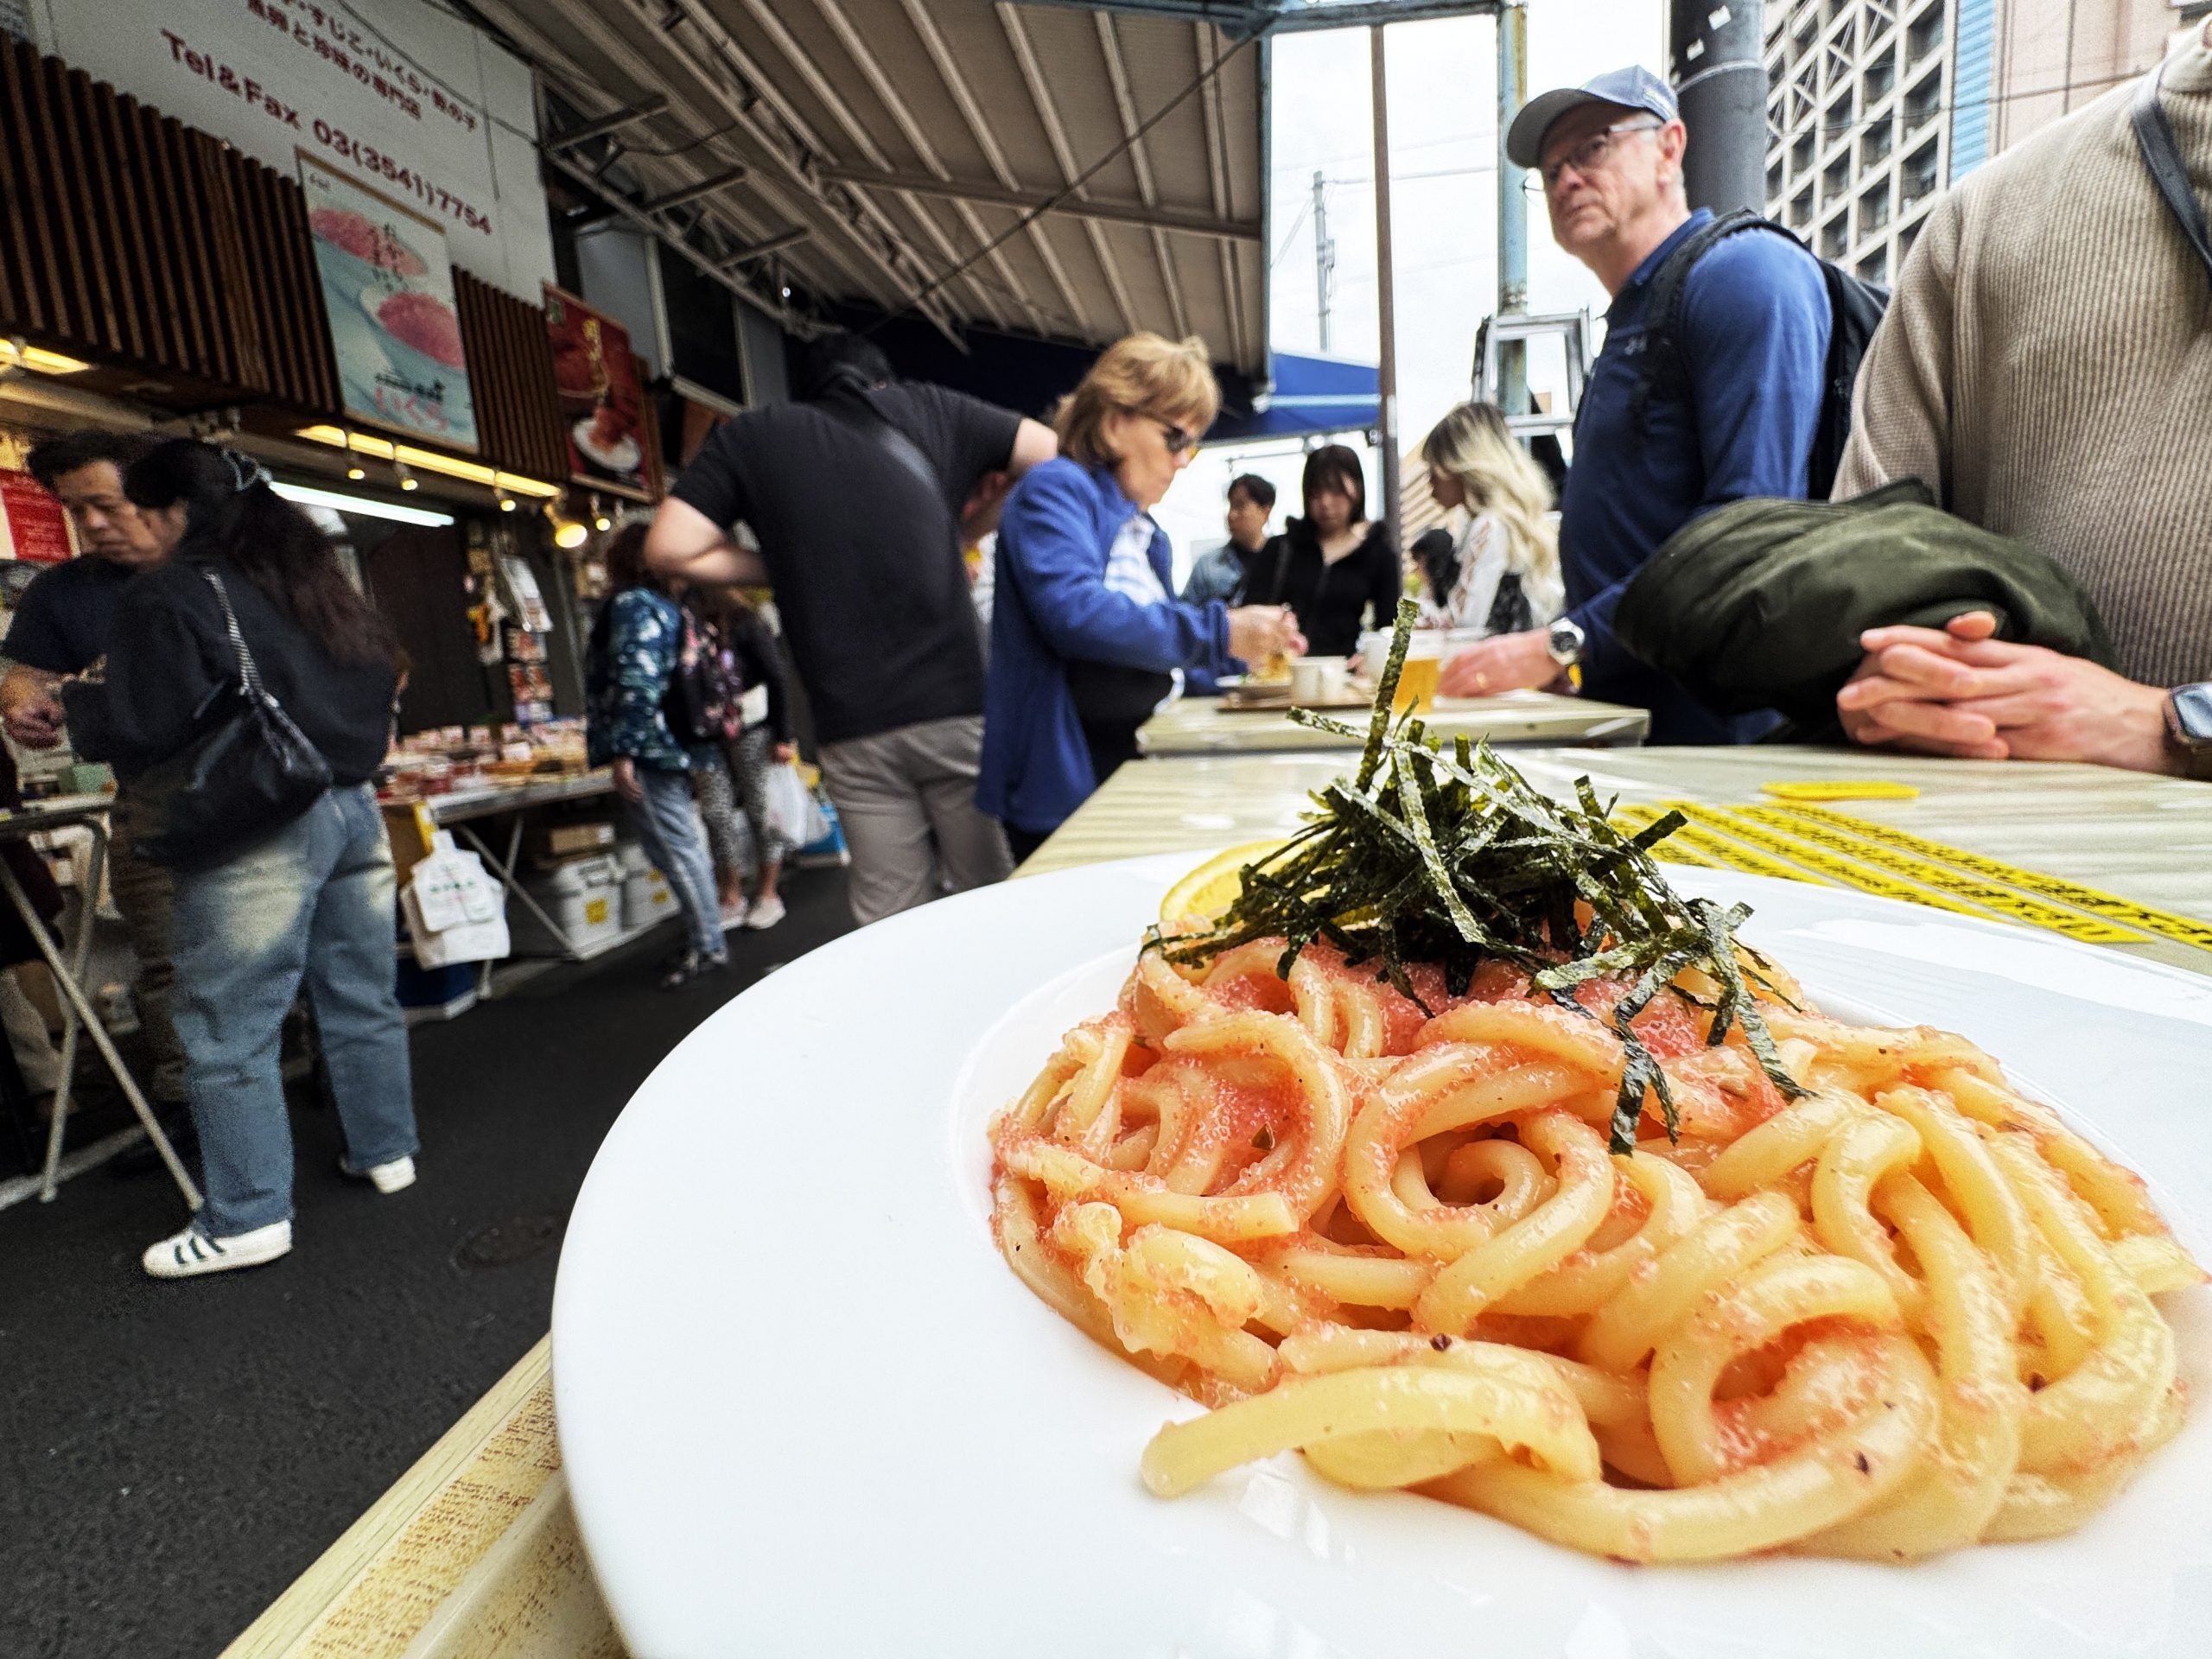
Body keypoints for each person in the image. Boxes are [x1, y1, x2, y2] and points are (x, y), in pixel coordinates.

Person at [60, 442, 415, 1279]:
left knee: (224, 1026)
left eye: (133, 509)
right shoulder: (312, 584)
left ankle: (247, 1215)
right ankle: (386, 1151)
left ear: (174, 511)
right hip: (353, 809)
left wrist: (75, 706)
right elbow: (379, 685)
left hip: (261, 826)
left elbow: (144, 725)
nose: (121, 525)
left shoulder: (173, 592)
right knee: (360, 995)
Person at [1829, 22, 2212, 779]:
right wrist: (1897, 685)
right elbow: (1852, 607)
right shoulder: (1985, 216)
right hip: (1977, 875)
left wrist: (2169, 723)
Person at [1446, 66, 1830, 740]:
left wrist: (1560, 645)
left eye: (1593, 147)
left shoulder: (1740, 275)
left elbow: (1751, 531)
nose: (1566, 178)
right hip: (1635, 733)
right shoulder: (1632, 319)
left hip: (1726, 746)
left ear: (1670, 146)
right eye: (1551, 167)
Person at [645, 333, 1057, 925]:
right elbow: (1051, 453)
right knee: (989, 896)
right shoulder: (931, 407)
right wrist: (970, 529)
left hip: (851, 723)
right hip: (959, 705)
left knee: (889, 918)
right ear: (881, 384)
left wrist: (781, 568)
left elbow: (669, 546)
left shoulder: (753, 435)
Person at [980, 333, 1305, 857]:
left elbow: (1156, 654)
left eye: (1192, 446)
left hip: (1133, 755)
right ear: (1113, 422)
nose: (1182, 461)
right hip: (1067, 771)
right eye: (1177, 438)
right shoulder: (1058, 487)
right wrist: (1222, 631)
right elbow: (1074, 612)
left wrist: (1249, 668)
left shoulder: (1145, 532)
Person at [0, 430, 194, 1139]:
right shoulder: (62, 590)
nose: (91, 525)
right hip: (146, 804)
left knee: (279, 951)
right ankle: (185, 1112)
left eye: (104, 504)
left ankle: (317, 1074)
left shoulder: (209, 567)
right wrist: (21, 704)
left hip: (256, 798)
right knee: (166, 965)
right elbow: (24, 672)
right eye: (75, 510)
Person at [585, 524, 727, 987]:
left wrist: (624, 749)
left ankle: (707, 946)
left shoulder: (633, 606)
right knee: (682, 844)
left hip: (650, 747)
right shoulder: (668, 607)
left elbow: (638, 679)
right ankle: (707, 940)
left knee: (674, 847)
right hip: (668, 743)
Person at [688, 586, 796, 931]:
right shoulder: (688, 633)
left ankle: (768, 892)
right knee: (715, 813)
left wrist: (784, 735)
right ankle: (730, 895)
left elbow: (777, 677)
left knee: (761, 811)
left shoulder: (745, 624)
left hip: (753, 727)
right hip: (708, 733)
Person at [1418, 402, 1565, 639]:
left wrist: (1406, 624)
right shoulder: (1503, 523)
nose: (1429, 483)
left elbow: (1464, 623)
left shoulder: (1488, 526)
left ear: (1458, 466)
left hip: (1495, 669)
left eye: (1433, 470)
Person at [1250, 445, 1400, 659]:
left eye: (1336, 491)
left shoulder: (1378, 553)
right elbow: (1252, 610)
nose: (1325, 503)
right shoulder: (1282, 548)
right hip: (1280, 672)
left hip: (1342, 674)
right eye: (1316, 493)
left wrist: (1369, 656)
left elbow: (1391, 627)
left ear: (1357, 489)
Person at [1180, 473, 1279, 606]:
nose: (1231, 515)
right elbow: (1187, 615)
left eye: (1240, 506)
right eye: (1231, 506)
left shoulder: (1282, 562)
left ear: (1265, 512)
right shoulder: (1208, 566)